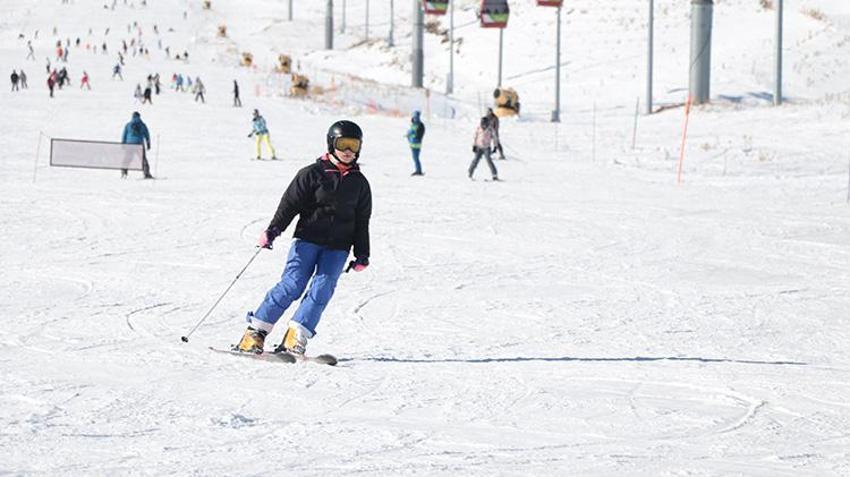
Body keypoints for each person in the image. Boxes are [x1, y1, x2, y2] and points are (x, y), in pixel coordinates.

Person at [235, 120, 372, 355]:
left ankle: (296, 334)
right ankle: (255, 332)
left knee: (322, 289)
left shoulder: (360, 184)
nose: (348, 151)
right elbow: (289, 205)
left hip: (338, 247)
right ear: (331, 144)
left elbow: (362, 221)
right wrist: (273, 230)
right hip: (307, 240)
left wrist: (362, 253)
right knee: (292, 285)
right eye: (343, 144)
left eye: (353, 145)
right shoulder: (311, 174)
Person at [120, 111, 153, 179]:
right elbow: (147, 135)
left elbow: (124, 135)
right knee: (143, 159)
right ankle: (147, 173)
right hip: (139, 144)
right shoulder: (142, 125)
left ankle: (124, 171)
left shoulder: (128, 125)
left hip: (130, 145)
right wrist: (148, 144)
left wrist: (123, 144)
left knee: (127, 159)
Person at [468, 116, 499, 181]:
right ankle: (470, 173)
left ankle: (494, 175)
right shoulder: (478, 128)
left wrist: (495, 146)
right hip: (479, 147)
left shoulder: (490, 129)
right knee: (475, 160)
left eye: (485, 125)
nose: (484, 126)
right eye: (482, 124)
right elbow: (475, 137)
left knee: (489, 160)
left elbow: (495, 138)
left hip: (486, 147)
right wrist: (474, 145)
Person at [406, 110, 425, 176]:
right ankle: (417, 170)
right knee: (415, 158)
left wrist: (410, 136)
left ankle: (418, 170)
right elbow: (411, 132)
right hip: (412, 144)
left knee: (416, 158)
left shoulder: (420, 125)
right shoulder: (413, 125)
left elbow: (417, 135)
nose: (415, 118)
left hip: (416, 144)